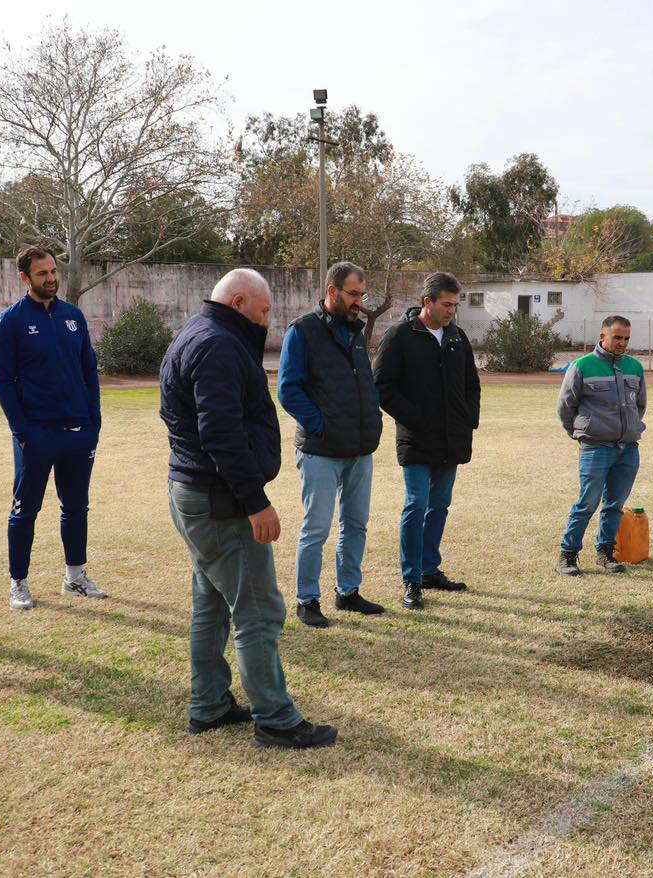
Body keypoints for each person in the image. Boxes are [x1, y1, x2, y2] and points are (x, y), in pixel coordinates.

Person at [160, 268, 337, 748]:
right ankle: (275, 718)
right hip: (220, 501)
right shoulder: (217, 345)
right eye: (263, 312)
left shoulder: (198, 335)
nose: (267, 322)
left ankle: (210, 704)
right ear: (238, 302)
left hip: (197, 492)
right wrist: (256, 502)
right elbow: (219, 433)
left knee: (212, 603)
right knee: (258, 609)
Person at [0, 246, 107, 611]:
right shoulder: (10, 322)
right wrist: (22, 432)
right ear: (25, 278)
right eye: (42, 274)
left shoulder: (74, 316)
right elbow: (3, 382)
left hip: (79, 430)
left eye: (53, 271)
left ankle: (75, 577)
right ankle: (19, 584)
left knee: (76, 507)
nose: (51, 278)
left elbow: (89, 369)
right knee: (26, 510)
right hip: (37, 433)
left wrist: (94, 420)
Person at [277, 261, 385, 628]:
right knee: (316, 528)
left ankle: (348, 592)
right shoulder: (303, 331)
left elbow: (362, 383)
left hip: (359, 449)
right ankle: (307, 599)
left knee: (356, 525)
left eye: (362, 295)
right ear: (333, 291)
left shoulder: (356, 331)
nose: (360, 302)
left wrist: (371, 419)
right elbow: (288, 390)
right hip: (320, 451)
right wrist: (321, 425)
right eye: (354, 294)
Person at [372, 272, 480, 610]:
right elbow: (382, 387)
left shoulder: (458, 337)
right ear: (427, 302)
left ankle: (431, 571)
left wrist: (468, 420)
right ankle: (412, 579)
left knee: (439, 506)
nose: (452, 311)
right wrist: (416, 419)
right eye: (446, 304)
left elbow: (471, 385)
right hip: (417, 440)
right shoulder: (400, 336)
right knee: (416, 505)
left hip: (452, 440)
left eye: (455, 305)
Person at [555, 316, 647, 576]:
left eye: (626, 338)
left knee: (615, 504)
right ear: (602, 336)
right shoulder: (582, 366)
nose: (622, 343)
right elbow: (565, 407)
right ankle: (568, 556)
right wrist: (579, 433)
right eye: (617, 337)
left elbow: (639, 406)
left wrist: (629, 429)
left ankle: (606, 553)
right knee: (587, 503)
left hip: (627, 449)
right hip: (596, 447)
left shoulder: (635, 367)